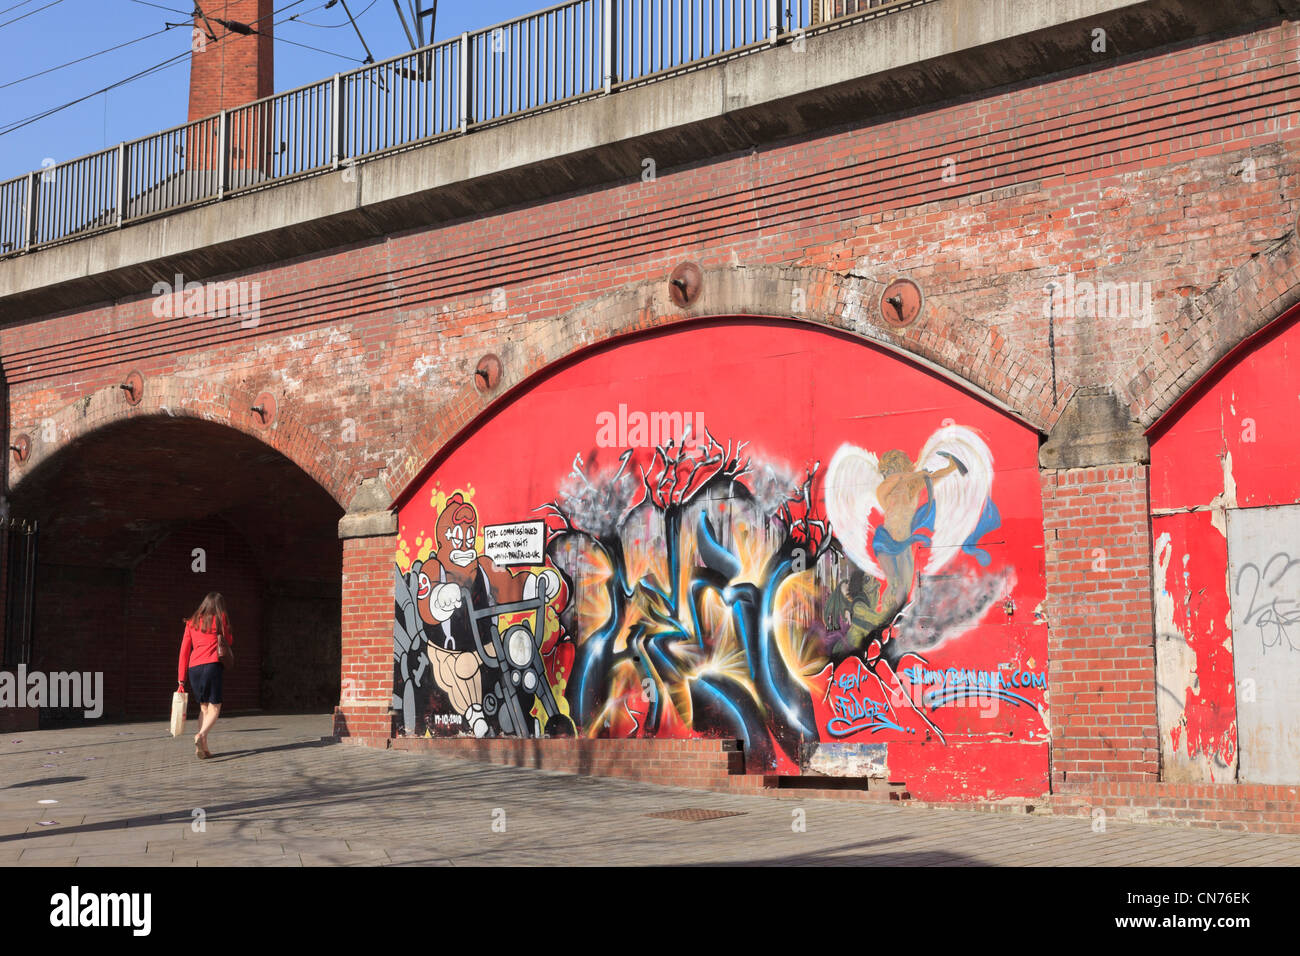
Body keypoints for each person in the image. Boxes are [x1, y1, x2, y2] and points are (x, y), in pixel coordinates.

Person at [177, 592, 233, 759]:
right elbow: (228, 640)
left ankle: (203, 747)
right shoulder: (220, 617)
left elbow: (184, 651)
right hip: (211, 665)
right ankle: (200, 735)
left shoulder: (191, 622)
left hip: (194, 668)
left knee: (204, 707)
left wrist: (181, 680)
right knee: (215, 706)